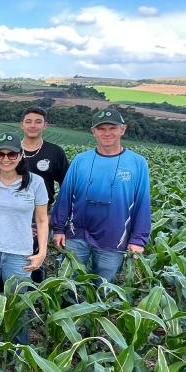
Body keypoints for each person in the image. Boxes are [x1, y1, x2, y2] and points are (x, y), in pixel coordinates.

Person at [51, 109, 151, 284]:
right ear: (93, 131)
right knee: (68, 282)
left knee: (103, 286)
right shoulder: (81, 160)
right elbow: (65, 195)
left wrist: (138, 239)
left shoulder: (137, 163)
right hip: (76, 233)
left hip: (114, 237)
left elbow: (142, 202)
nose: (107, 133)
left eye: (112, 128)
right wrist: (58, 228)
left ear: (122, 129)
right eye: (101, 129)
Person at [0, 134, 48, 344]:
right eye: (0, 154)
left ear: (21, 155)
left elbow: (42, 219)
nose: (6, 159)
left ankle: (18, 350)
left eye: (12, 154)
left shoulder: (35, 182)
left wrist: (42, 252)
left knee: (17, 304)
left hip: (20, 253)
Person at [19, 106, 69, 282]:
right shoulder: (10, 150)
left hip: (41, 216)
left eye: (38, 122)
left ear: (45, 125)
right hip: (13, 215)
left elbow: (66, 187)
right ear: (22, 124)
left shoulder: (55, 152)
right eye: (28, 121)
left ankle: (34, 290)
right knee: (11, 255)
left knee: (35, 256)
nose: (33, 125)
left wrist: (52, 216)